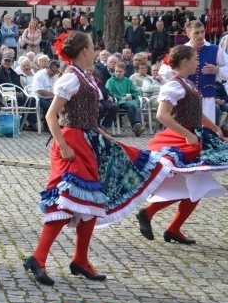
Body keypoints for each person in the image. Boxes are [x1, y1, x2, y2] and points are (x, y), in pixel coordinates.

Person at [22, 31, 170, 287]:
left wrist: (102, 133)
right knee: (67, 200)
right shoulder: (70, 78)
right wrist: (64, 145)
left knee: (90, 202)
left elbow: (86, 116)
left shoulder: (83, 77)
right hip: (72, 143)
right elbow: (51, 116)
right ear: (84, 51)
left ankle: (80, 258)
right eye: (92, 46)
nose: (94, 49)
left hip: (87, 139)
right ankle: (39, 256)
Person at [136, 45, 228, 246]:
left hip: (195, 135)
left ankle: (170, 226)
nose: (198, 62)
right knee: (194, 185)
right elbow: (162, 115)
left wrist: (215, 128)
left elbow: (197, 113)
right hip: (183, 139)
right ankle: (154, 216)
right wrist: (187, 134)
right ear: (185, 62)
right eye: (195, 59)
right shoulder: (174, 85)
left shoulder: (187, 84)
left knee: (198, 185)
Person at [160, 20, 228, 121]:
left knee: (206, 129)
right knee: (186, 127)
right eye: (196, 33)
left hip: (207, 97)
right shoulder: (181, 50)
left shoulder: (215, 50)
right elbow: (163, 69)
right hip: (184, 97)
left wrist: (218, 70)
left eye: (202, 32)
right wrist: (177, 73)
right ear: (188, 34)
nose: (200, 36)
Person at [106, 62, 145, 136]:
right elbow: (109, 93)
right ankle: (135, 126)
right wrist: (121, 97)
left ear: (124, 71)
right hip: (119, 101)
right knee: (130, 106)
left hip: (130, 100)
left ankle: (137, 126)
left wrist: (131, 96)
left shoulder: (128, 81)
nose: (118, 73)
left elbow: (136, 93)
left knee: (136, 106)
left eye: (120, 71)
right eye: (116, 71)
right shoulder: (110, 81)